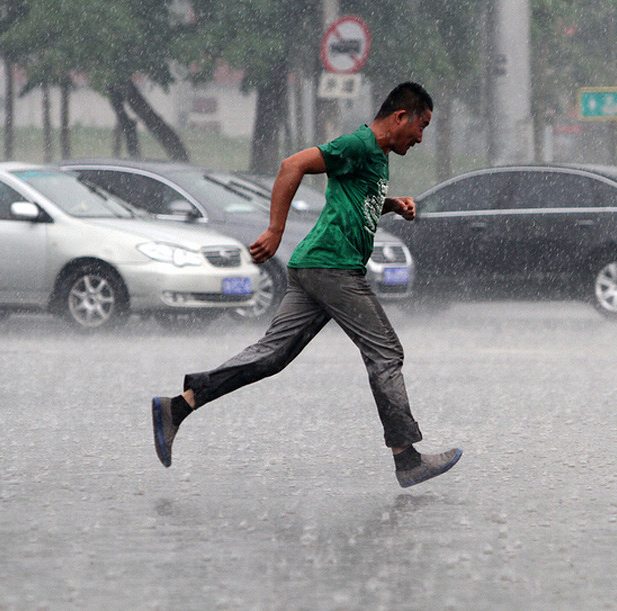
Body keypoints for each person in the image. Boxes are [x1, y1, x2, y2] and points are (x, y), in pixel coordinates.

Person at [152, 82, 462, 488]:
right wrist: (276, 230)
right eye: (421, 126)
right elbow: (291, 166)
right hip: (332, 267)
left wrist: (390, 204)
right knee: (386, 352)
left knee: (272, 356)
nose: (421, 137)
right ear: (400, 116)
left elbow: (357, 196)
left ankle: (177, 408)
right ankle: (407, 459)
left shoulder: (377, 157)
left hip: (313, 268)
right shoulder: (358, 144)